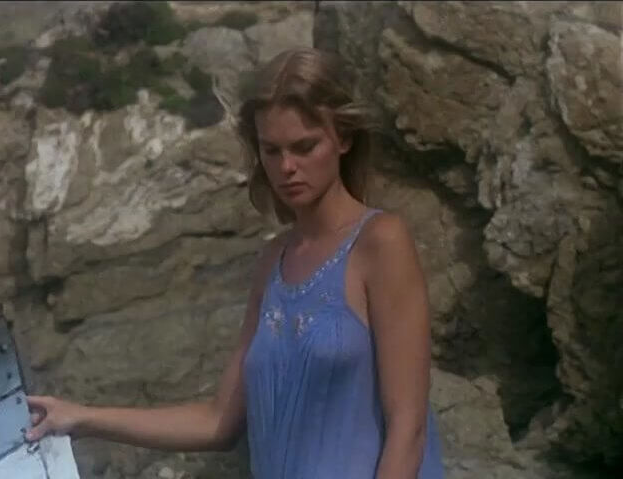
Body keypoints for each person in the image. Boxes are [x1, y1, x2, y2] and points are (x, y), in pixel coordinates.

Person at [25, 47, 445, 478]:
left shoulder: (380, 242)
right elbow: (217, 421)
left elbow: (408, 429)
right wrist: (80, 418)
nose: (287, 167)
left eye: (304, 147)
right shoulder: (273, 263)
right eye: (271, 150)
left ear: (343, 138)